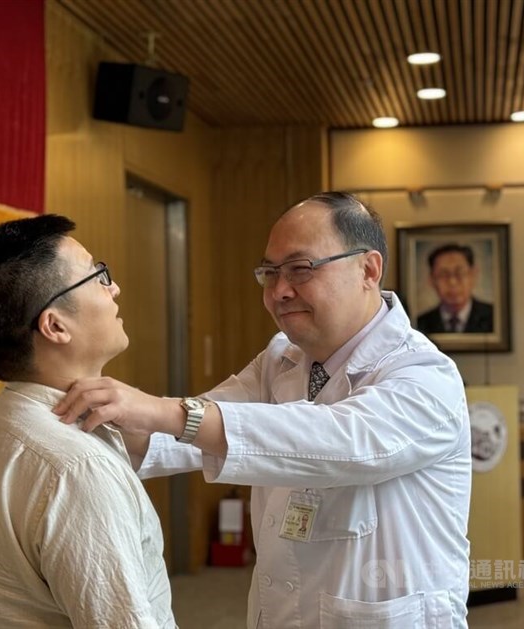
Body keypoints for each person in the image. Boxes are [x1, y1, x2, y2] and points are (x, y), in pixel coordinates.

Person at [56, 192, 472, 628]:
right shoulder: (281, 359)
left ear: (368, 269)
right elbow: (193, 433)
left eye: (299, 269)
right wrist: (91, 416)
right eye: (270, 273)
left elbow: (343, 441)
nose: (279, 291)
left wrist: (161, 410)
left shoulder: (425, 375)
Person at [0, 215, 176, 628]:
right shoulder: (75, 468)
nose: (114, 289)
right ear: (54, 325)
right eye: (97, 276)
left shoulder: (8, 416)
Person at [416, 242, 494, 334]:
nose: (452, 282)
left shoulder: (494, 317)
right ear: (431, 280)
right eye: (443, 274)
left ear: (473, 275)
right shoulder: (419, 323)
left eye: (459, 273)